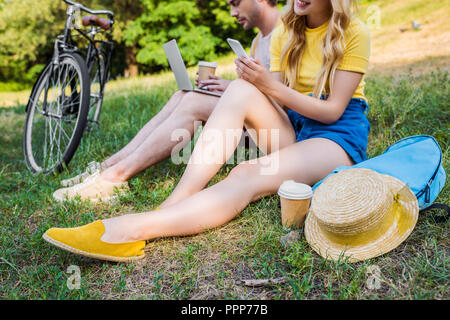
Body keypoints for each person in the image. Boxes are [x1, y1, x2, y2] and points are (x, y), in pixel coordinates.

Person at [43, 0, 371, 262]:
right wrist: (251, 86)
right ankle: (174, 205)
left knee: (246, 172)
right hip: (295, 128)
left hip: (334, 137)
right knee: (240, 92)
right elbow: (282, 104)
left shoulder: (354, 32)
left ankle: (132, 230)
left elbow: (332, 112)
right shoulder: (288, 32)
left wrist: (265, 85)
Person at [53, 0, 282, 203]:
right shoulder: (257, 41)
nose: (232, 12)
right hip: (253, 121)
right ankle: (109, 165)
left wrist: (231, 88)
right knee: (181, 95)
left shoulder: (287, 30)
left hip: (274, 134)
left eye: (235, 2)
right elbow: (255, 92)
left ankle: (115, 177)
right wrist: (223, 85)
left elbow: (281, 99)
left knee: (193, 101)